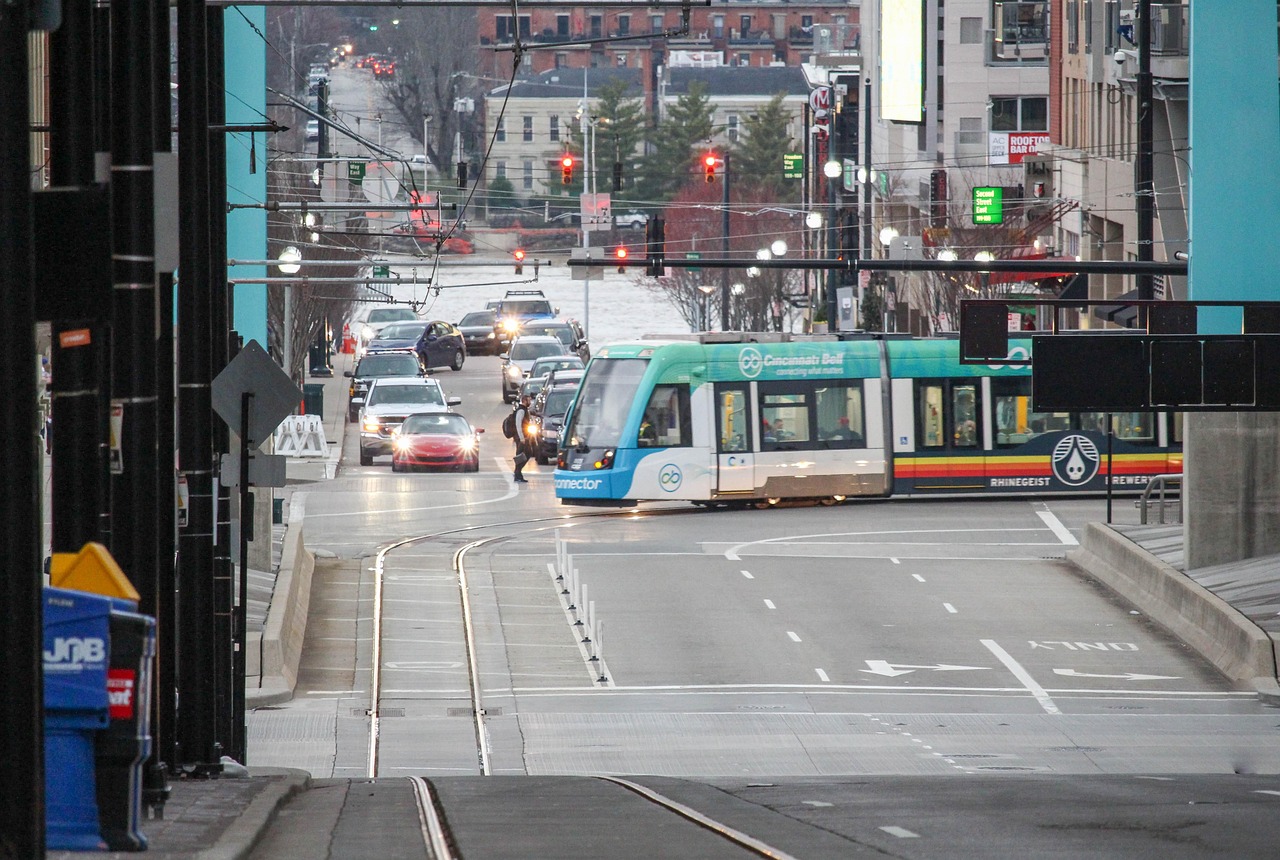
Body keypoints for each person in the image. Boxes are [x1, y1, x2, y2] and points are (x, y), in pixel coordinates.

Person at [512, 392, 533, 482]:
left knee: (525, 454)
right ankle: (517, 473)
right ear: (524, 400)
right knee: (521, 455)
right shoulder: (521, 410)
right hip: (521, 438)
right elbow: (518, 424)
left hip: (524, 437)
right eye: (529, 400)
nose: (530, 402)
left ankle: (518, 473)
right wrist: (521, 438)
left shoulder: (525, 410)